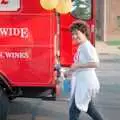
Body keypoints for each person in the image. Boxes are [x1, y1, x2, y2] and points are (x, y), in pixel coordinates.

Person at [64, 21, 104, 120]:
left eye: (76, 33)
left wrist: (78, 65)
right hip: (83, 83)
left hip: (86, 84)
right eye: (73, 34)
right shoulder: (82, 46)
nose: (74, 36)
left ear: (84, 33)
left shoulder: (87, 46)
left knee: (74, 110)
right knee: (89, 109)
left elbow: (95, 63)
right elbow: (79, 65)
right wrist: (69, 71)